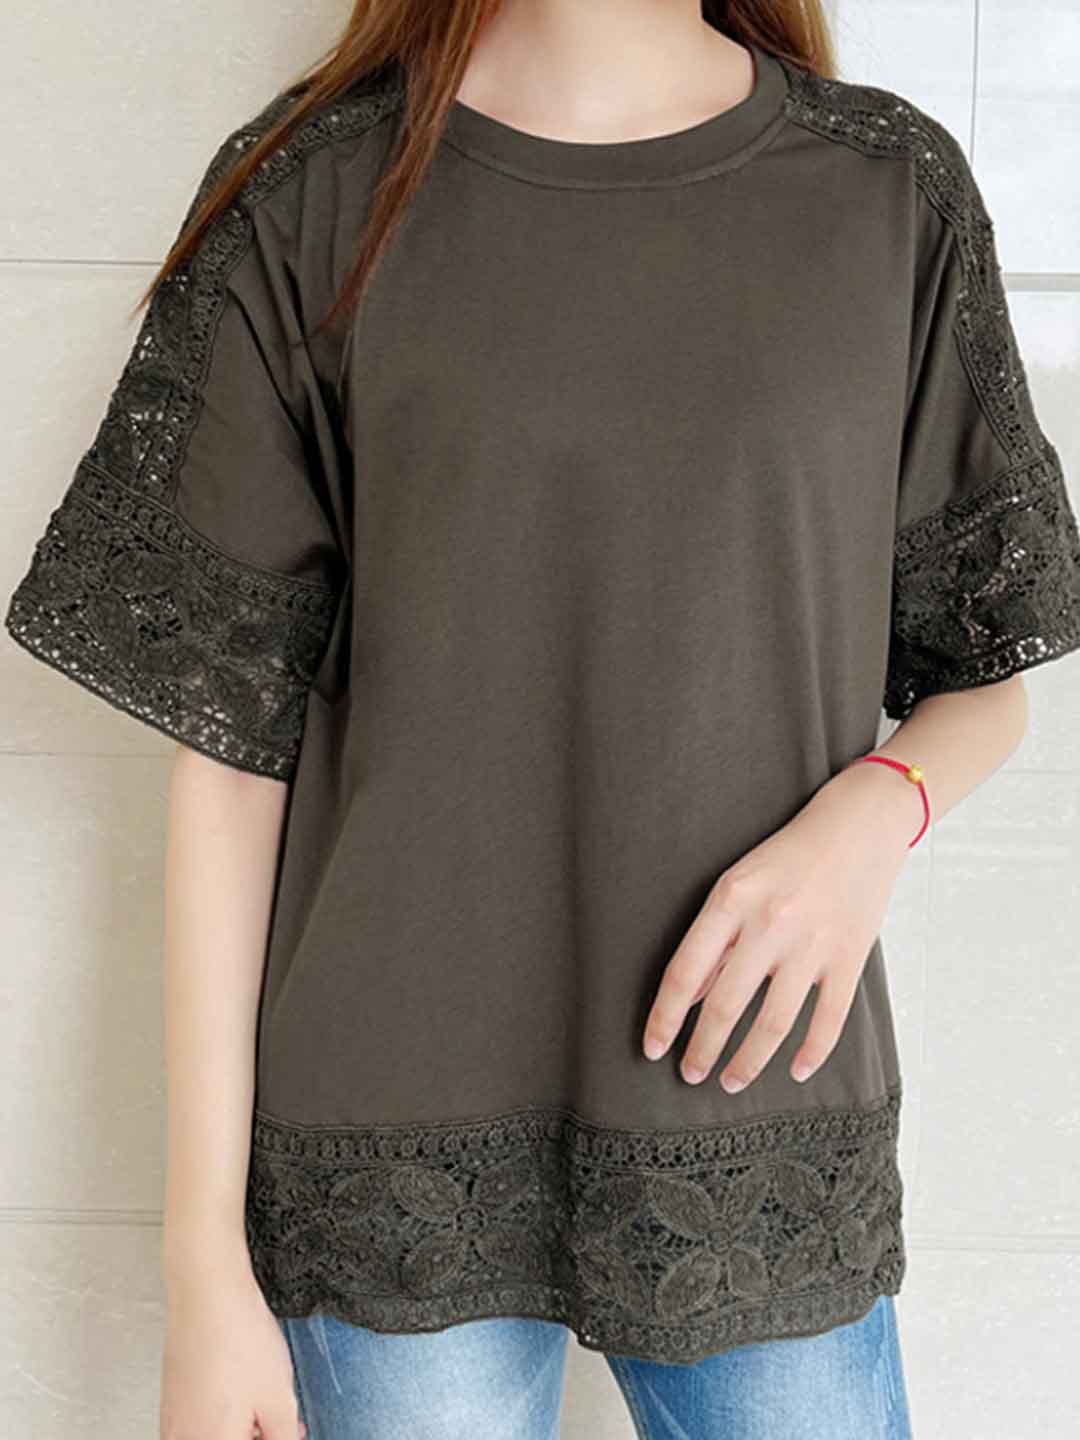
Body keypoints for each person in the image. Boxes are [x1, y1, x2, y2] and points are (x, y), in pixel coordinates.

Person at [6, 1, 1080, 1437]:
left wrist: (871, 821)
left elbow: (984, 672)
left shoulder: (886, 192)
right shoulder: (316, 194)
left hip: (758, 1113)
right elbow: (229, 761)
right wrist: (202, 1265)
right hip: (387, 1155)